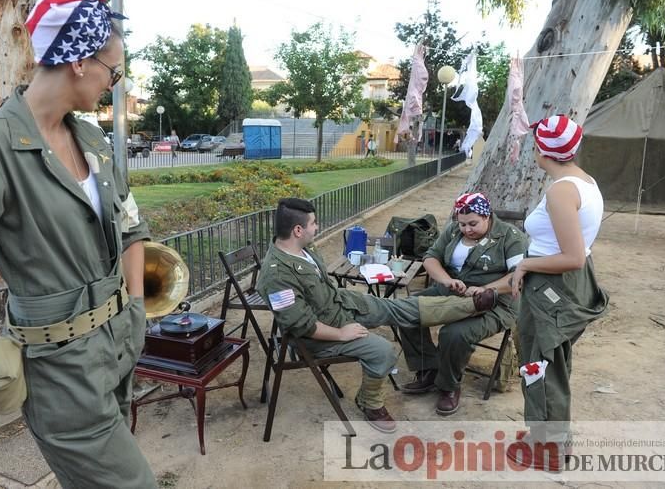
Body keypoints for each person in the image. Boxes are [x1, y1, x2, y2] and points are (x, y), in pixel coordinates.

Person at [0, 0, 157, 488]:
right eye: (116, 71)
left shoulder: (90, 137)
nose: (116, 83)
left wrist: (133, 309)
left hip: (118, 343)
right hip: (61, 370)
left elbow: (130, 225)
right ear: (80, 62)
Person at [256, 198, 498, 433]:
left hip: (341, 305)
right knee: (382, 351)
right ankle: (370, 403)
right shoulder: (276, 276)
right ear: (298, 230)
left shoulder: (303, 248)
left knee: (401, 308)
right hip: (321, 336)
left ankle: (473, 304)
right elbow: (301, 326)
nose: (317, 227)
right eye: (313, 223)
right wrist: (341, 334)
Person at [507, 115, 609, 471]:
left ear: (541, 151)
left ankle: (547, 448)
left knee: (540, 363)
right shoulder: (585, 182)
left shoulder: (561, 190)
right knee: (554, 362)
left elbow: (573, 257)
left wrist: (524, 266)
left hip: (552, 287)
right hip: (563, 286)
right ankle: (548, 436)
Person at [397, 193, 528, 415]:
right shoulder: (453, 230)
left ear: (487, 216)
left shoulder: (511, 237)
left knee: (454, 334)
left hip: (495, 301)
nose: (467, 229)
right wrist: (447, 280)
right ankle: (427, 369)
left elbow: (518, 277)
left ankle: (449, 386)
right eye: (462, 224)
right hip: (451, 290)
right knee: (407, 311)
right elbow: (430, 258)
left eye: (473, 224)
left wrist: (489, 288)